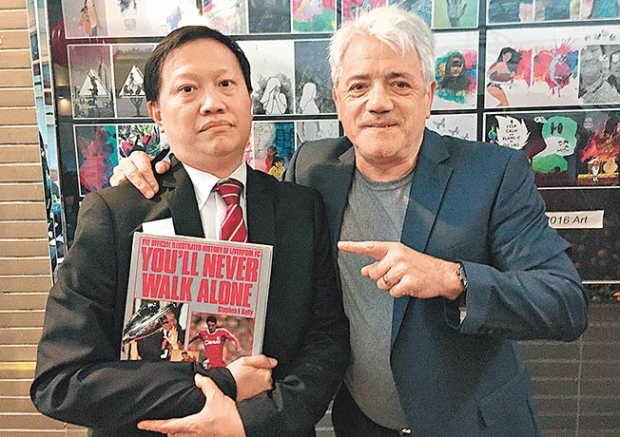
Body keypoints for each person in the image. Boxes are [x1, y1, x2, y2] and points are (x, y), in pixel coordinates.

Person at [111, 6, 588, 437]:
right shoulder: (312, 169)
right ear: (339, 100)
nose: (378, 102)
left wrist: (452, 278)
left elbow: (565, 302)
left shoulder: (493, 174)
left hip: (472, 424)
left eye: (399, 84)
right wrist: (156, 168)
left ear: (429, 95)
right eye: (359, 86)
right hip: (361, 424)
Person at [31, 25, 349, 437]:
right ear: (156, 112)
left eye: (226, 84)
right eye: (187, 89)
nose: (212, 103)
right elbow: (62, 381)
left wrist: (253, 420)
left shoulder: (300, 208)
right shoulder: (116, 214)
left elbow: (327, 340)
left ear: (249, 99)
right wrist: (221, 385)